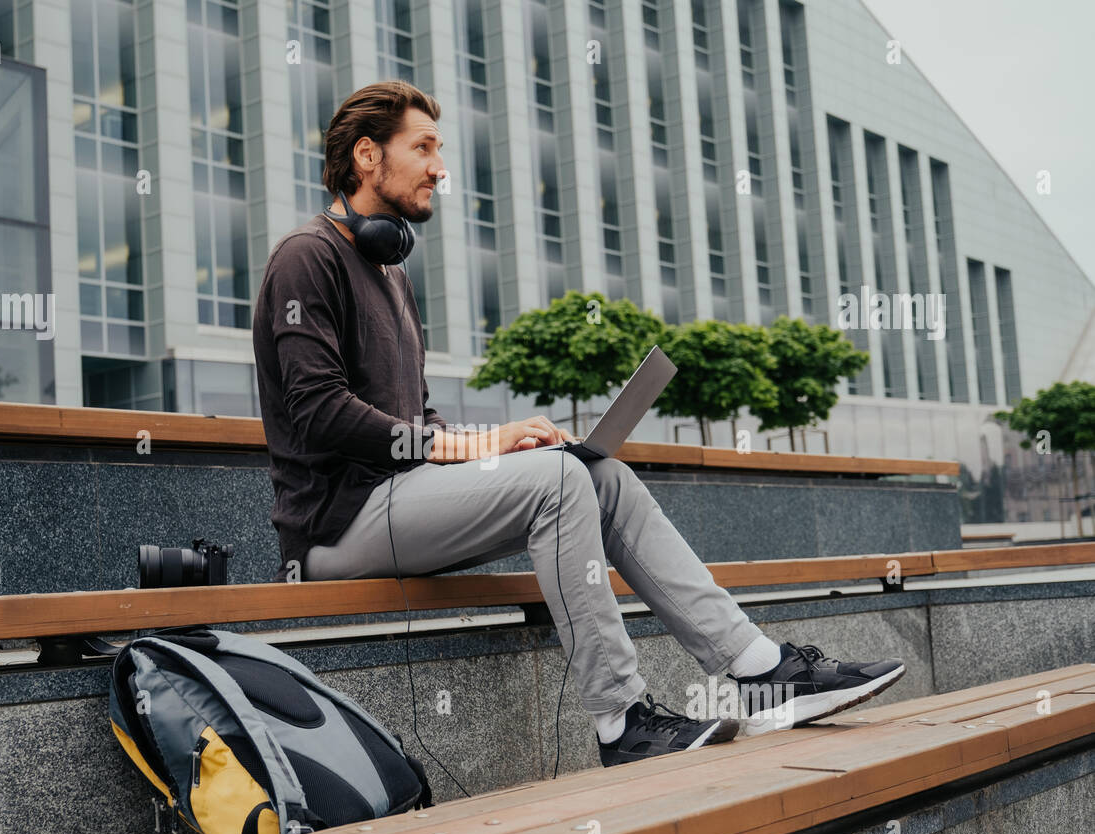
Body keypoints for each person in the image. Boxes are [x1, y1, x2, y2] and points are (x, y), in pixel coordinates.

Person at [251, 81, 905, 768]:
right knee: (560, 482)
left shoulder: (392, 275)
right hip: (335, 525)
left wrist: (502, 444)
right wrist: (484, 447)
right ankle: (621, 722)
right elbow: (320, 413)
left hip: (402, 499)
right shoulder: (307, 257)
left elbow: (413, 416)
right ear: (366, 156)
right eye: (424, 148)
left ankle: (760, 668)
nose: (440, 167)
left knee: (601, 474)